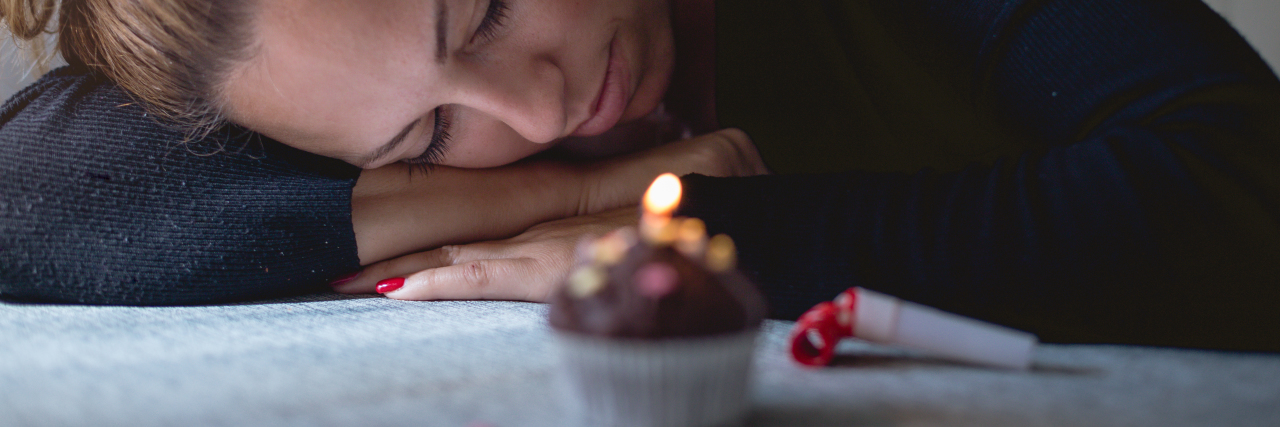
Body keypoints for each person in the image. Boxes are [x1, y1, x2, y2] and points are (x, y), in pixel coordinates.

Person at [3, 0, 1278, 351]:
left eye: (491, 8)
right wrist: (553, 204)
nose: (532, 104)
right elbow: (34, 199)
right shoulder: (529, 148)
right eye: (424, 140)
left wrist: (719, 231)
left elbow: (1238, 190)